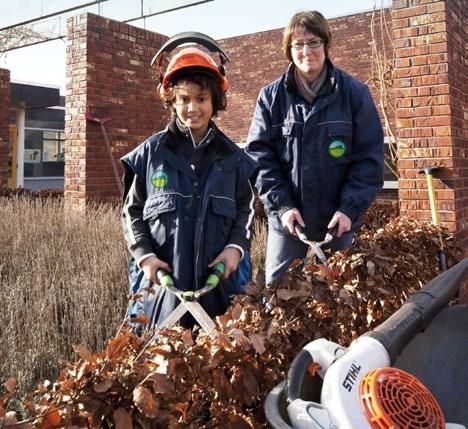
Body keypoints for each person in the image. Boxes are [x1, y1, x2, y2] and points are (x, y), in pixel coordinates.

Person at [121, 41, 256, 329]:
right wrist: (145, 257)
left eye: (201, 99)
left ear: (215, 101)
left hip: (219, 291)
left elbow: (247, 210)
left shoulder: (233, 159)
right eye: (184, 99)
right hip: (162, 292)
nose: (192, 108)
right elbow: (131, 213)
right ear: (171, 101)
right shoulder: (149, 155)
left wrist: (235, 248)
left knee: (222, 362)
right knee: (160, 366)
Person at [245, 11, 384, 284]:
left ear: (326, 45)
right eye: (298, 44)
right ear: (289, 49)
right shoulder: (271, 98)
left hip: (340, 224)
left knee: (345, 299)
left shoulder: (355, 94)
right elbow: (260, 158)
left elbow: (369, 159)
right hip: (288, 226)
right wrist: (282, 206)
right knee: (278, 296)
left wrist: (349, 208)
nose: (306, 50)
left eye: (314, 42)